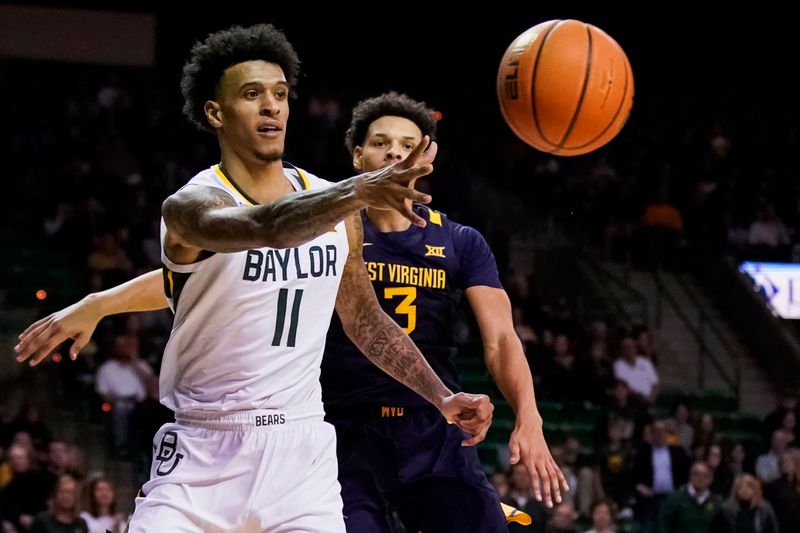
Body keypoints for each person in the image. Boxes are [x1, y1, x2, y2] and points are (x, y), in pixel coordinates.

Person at [16, 90, 566, 530]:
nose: (394, 155)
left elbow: (499, 339)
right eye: (381, 144)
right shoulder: (323, 218)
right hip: (340, 428)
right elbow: (202, 276)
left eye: (407, 144)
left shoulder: (461, 241)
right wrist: (100, 303)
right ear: (358, 157)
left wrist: (529, 415)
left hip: (430, 425)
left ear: (429, 155)